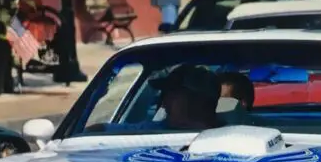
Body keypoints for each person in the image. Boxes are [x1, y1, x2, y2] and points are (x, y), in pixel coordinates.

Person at [85, 64, 222, 132]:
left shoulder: (232, 137)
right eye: (164, 96)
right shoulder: (154, 130)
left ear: (198, 100)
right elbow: (102, 130)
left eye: (172, 95)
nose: (164, 103)